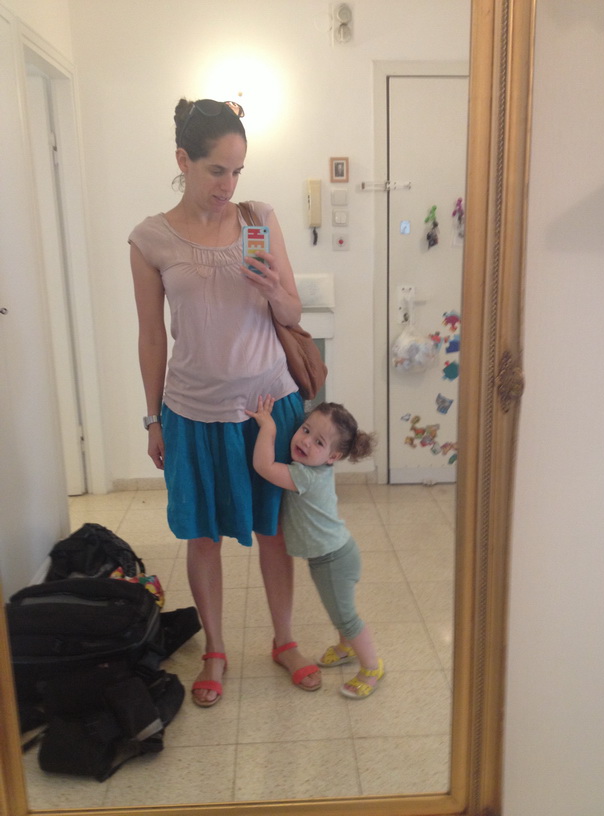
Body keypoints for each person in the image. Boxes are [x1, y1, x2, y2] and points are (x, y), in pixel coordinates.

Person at [129, 98, 321, 708]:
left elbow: (292, 311)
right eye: (217, 170)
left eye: (238, 171)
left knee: (274, 532)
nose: (228, 185)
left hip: (270, 405)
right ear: (183, 160)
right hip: (191, 413)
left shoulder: (258, 218)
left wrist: (274, 290)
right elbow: (152, 336)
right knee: (203, 535)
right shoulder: (149, 238)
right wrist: (153, 418)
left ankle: (284, 640)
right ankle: (215, 648)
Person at [246, 397, 385, 699]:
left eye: (318, 441)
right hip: (336, 554)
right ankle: (346, 648)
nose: (305, 441)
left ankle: (371, 667)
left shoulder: (305, 476)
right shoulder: (315, 468)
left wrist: (268, 427)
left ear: (333, 456)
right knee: (338, 608)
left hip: (334, 560)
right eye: (306, 430)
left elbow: (263, 466)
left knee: (345, 617)